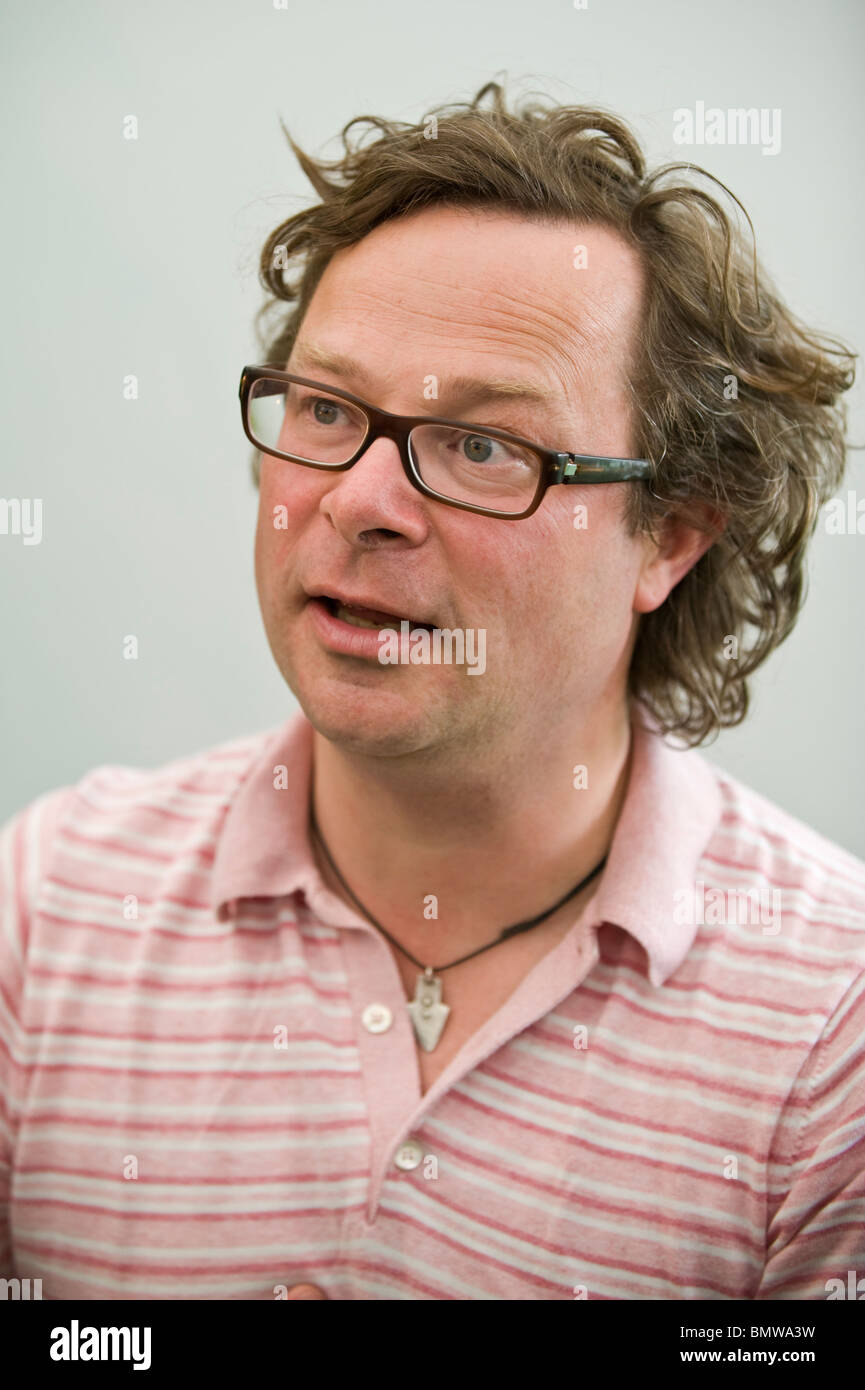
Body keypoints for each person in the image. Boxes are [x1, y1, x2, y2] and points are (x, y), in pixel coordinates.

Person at [1, 80, 862, 1302]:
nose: (357, 499)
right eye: (326, 409)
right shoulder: (47, 908)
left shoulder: (834, 1036)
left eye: (483, 447)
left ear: (669, 538)